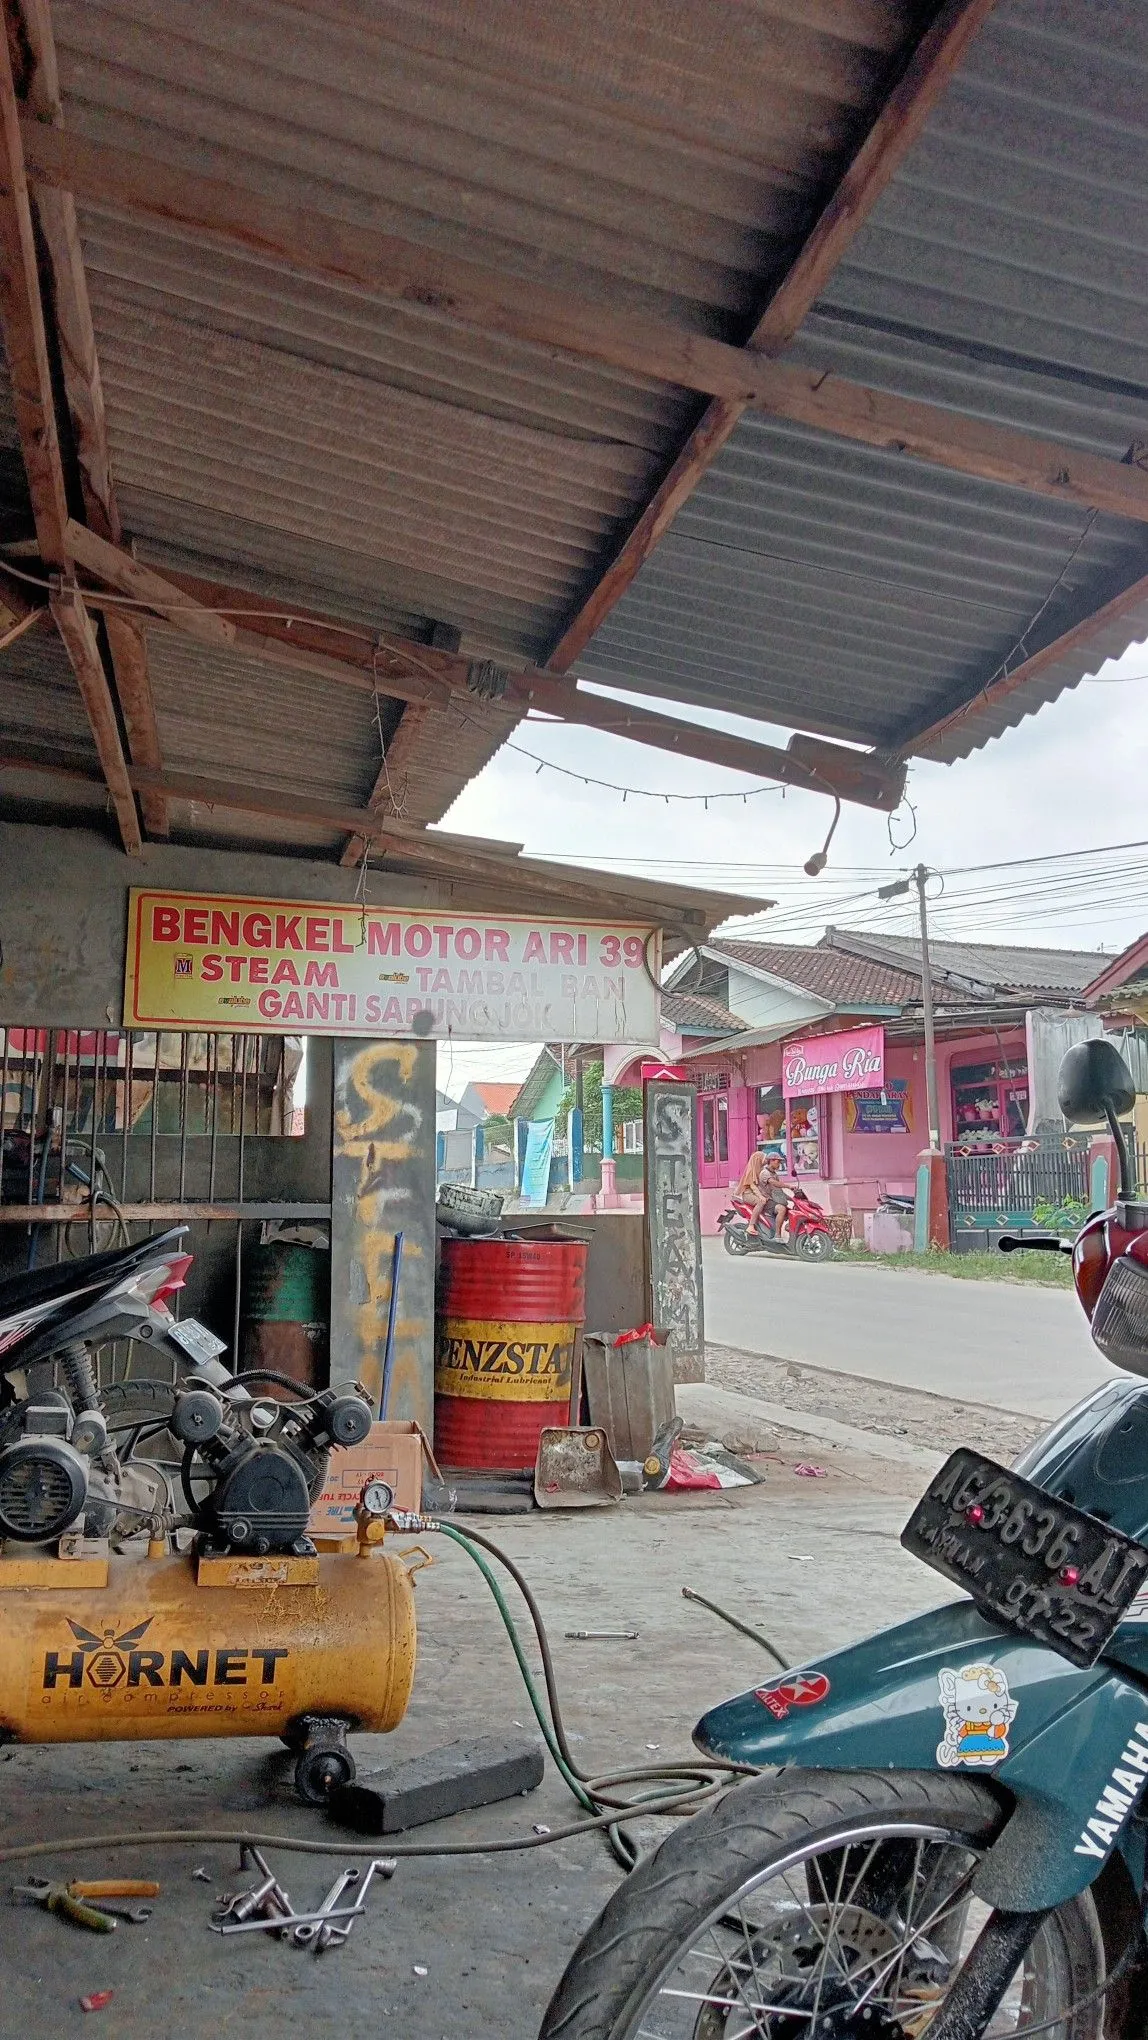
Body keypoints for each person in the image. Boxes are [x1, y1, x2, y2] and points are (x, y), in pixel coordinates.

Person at [735, 1149, 790, 1238]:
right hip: (748, 1194)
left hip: (755, 1193)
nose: (765, 1161)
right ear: (758, 1160)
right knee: (761, 1202)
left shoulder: (761, 1170)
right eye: (763, 1159)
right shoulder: (752, 1171)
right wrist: (761, 1196)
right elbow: (753, 1186)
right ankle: (751, 1226)